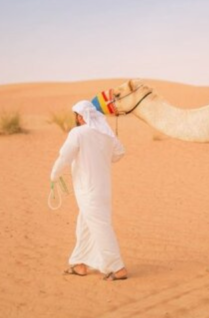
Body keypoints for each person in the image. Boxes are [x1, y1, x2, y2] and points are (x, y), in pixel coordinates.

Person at [50, 100, 127, 281]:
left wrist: (54, 175)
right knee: (84, 225)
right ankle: (80, 263)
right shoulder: (106, 134)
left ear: (79, 116)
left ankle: (118, 268)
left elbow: (65, 157)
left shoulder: (78, 133)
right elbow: (119, 153)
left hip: (88, 190)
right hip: (102, 190)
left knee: (100, 227)